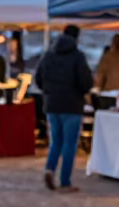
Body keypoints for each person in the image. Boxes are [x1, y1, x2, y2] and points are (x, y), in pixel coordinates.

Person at [35, 24, 93, 193]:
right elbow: (86, 82)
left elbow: (38, 78)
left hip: (52, 104)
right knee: (69, 144)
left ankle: (49, 169)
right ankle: (65, 181)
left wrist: (49, 91)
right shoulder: (77, 56)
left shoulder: (48, 55)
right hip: (72, 105)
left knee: (56, 141)